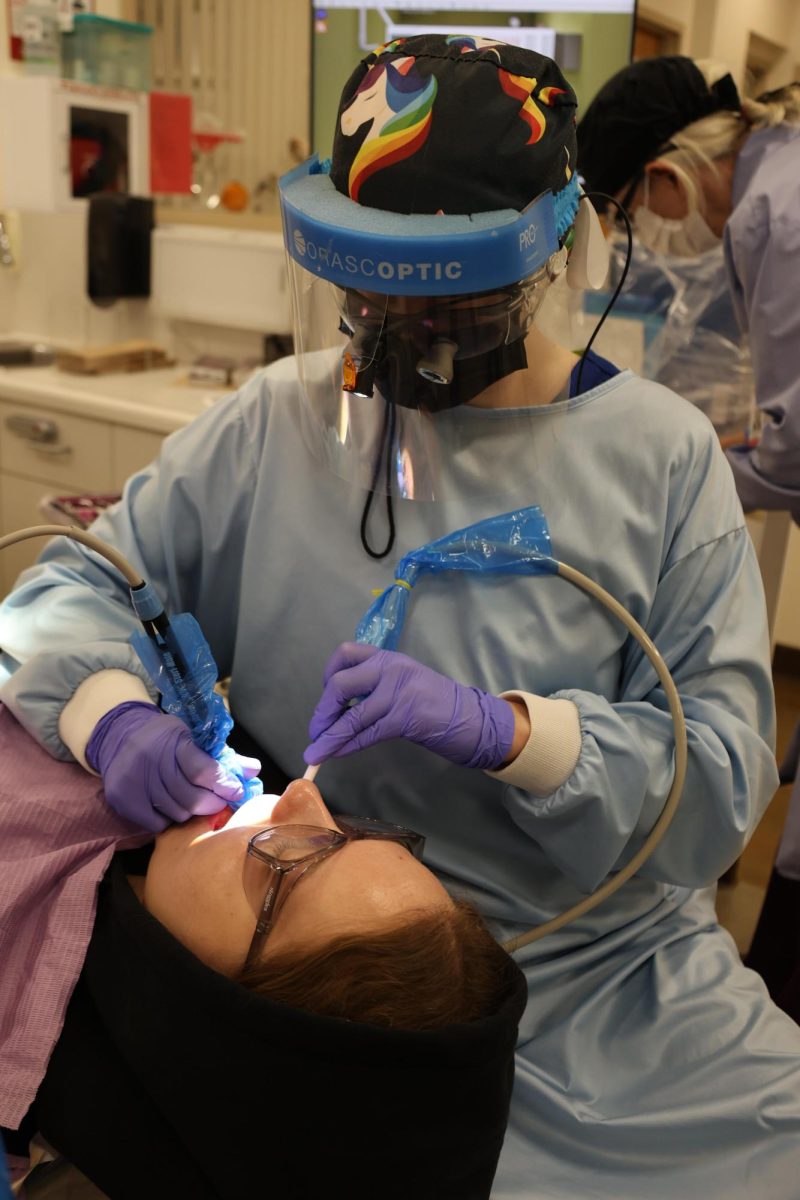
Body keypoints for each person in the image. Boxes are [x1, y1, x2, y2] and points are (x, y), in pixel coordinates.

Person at [1, 34, 800, 1197]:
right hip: (333, 994)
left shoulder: (660, 459)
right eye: (368, 299)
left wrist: (516, 735)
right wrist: (111, 715)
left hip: (602, 969)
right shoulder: (278, 424)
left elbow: (718, 784)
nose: (394, 341)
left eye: (443, 303)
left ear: (550, 245)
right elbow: (60, 596)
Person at [0, 703, 526, 1200]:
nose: (298, 794)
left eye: (285, 865)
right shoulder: (193, 793)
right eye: (348, 830)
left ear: (200, 1011)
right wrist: (103, 705)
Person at [577, 54, 800, 1025]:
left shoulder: (772, 215)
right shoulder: (773, 188)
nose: (642, 240)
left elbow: (788, 457)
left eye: (628, 216)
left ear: (662, 180)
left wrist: (691, 465)